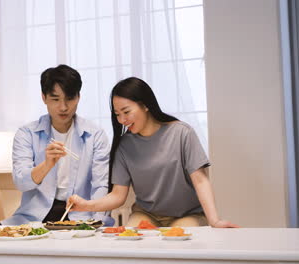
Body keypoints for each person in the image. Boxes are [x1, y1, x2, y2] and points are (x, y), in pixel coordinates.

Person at [68, 77, 239, 228]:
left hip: (188, 215)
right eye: (117, 114)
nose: (122, 120)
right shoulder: (124, 145)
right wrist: (86, 206)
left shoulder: (182, 133)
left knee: (177, 241)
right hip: (146, 214)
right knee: (131, 242)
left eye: (126, 112)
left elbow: (201, 181)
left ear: (145, 105)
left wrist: (214, 221)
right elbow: (118, 196)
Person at [1, 64, 114, 226]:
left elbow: (101, 185)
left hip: (80, 212)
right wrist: (47, 165)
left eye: (69, 99)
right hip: (35, 215)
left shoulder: (95, 135)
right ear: (44, 97)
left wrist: (97, 220)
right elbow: (21, 182)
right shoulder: (27, 133)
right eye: (55, 99)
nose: (63, 107)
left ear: (78, 97)